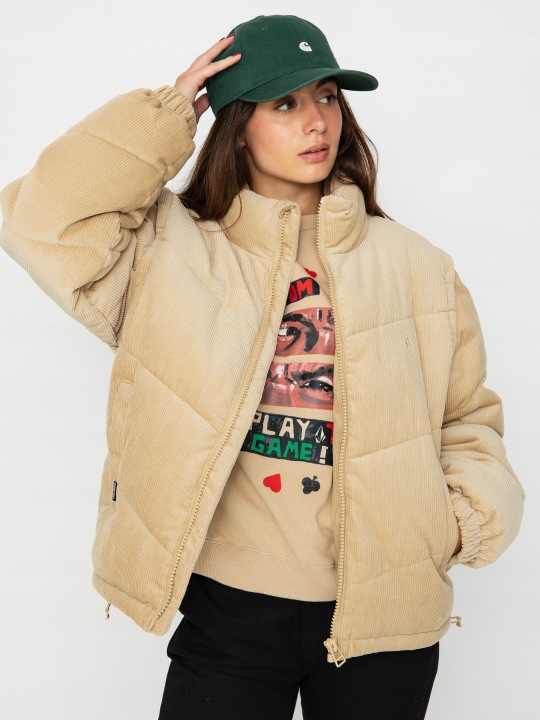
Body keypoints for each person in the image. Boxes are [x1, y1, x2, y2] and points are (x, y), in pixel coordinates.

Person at [0, 13, 525, 720]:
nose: (317, 121)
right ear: (237, 126)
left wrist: (460, 523)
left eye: (328, 97)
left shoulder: (415, 265)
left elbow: (467, 419)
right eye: (284, 103)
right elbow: (40, 222)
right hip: (230, 608)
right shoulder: (170, 251)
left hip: (386, 611)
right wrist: (168, 113)